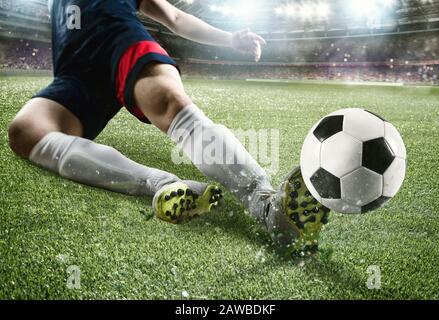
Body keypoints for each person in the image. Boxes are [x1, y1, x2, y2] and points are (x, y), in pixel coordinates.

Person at [7, 0, 329, 255]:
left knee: (170, 104)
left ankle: (268, 206)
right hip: (75, 74)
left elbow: (173, 17)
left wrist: (229, 38)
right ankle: (162, 184)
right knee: (24, 131)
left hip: (119, 40)